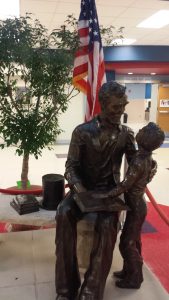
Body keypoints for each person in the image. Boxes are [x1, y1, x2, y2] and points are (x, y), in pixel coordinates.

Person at [55, 80, 137, 300]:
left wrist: (143, 169)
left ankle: (91, 290)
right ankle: (66, 287)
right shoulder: (82, 132)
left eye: (123, 106)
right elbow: (70, 167)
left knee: (108, 223)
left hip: (109, 193)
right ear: (103, 104)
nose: (120, 111)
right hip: (81, 191)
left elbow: (135, 167)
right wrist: (81, 192)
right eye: (115, 107)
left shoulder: (127, 135)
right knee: (63, 213)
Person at [105, 122, 164, 289]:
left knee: (126, 242)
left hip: (136, 207)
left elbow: (126, 184)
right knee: (134, 240)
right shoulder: (146, 157)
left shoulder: (139, 160)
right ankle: (128, 270)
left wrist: (109, 193)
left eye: (144, 130)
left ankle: (135, 277)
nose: (140, 130)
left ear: (145, 139)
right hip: (138, 204)